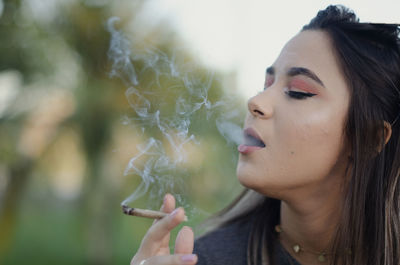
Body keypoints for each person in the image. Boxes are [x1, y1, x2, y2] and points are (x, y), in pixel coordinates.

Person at [129, 5, 400, 265]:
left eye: (298, 91)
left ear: (369, 138)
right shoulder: (207, 259)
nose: (256, 101)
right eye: (266, 84)